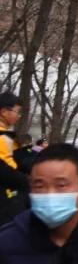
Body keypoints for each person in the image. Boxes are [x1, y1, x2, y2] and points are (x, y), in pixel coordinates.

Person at [0, 91, 29, 226]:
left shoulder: (7, 134)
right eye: (17, 112)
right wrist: (24, 180)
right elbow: (3, 168)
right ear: (4, 111)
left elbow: (15, 157)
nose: (18, 116)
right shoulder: (2, 135)